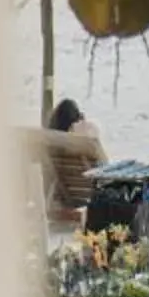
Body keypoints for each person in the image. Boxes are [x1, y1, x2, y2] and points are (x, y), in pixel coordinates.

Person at [38, 98, 105, 236]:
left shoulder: (50, 146)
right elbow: (105, 167)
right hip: (90, 195)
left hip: (64, 195)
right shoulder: (87, 144)